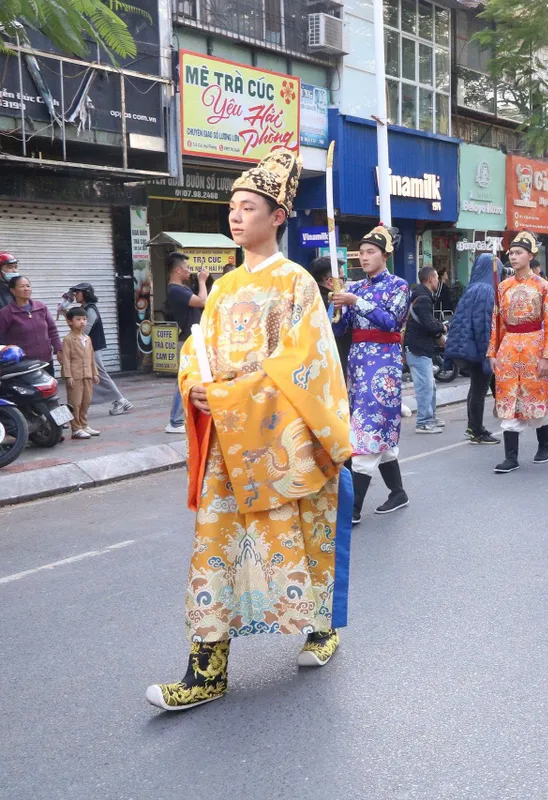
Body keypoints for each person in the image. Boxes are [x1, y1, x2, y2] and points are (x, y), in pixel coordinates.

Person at [147, 148, 352, 712]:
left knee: (298, 534)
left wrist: (233, 395)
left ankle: (320, 627)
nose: (236, 217)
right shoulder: (223, 289)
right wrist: (192, 382)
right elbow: (198, 348)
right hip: (224, 441)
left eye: (249, 207)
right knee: (213, 547)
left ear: (277, 216)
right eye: (233, 208)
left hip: (274, 440)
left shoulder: (297, 285)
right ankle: (206, 667)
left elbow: (305, 365)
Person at [331, 225, 413, 521]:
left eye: (370, 252)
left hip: (384, 367)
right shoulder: (353, 287)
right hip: (357, 364)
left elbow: (391, 322)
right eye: (361, 253)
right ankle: (398, 492)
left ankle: (352, 509)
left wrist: (357, 302)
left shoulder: (399, 286)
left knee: (367, 433)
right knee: (378, 433)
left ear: (385, 255)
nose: (364, 258)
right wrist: (337, 306)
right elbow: (340, 329)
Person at [488, 231, 548, 473]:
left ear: (530, 255)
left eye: (519, 252)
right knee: (508, 399)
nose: (513, 256)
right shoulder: (503, 286)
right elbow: (496, 322)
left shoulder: (543, 286)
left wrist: (546, 355)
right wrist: (493, 351)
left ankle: (544, 445)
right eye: (511, 252)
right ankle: (511, 457)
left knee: (536, 399)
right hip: (509, 347)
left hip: (534, 346)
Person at [444, 252, 498, 445]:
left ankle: (472, 427)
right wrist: (488, 353)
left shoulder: (472, 288)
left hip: (465, 346)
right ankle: (476, 430)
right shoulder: (486, 290)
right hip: (477, 348)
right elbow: (483, 324)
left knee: (475, 388)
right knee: (479, 390)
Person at [69, 282, 134, 416]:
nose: (76, 295)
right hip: (87, 347)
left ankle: (120, 399)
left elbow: (84, 330)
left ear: (85, 293)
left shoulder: (90, 309)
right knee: (94, 375)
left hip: (92, 347)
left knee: (99, 373)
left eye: (78, 292)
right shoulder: (84, 308)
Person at [164, 252, 208, 434]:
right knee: (184, 381)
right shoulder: (175, 290)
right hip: (189, 340)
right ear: (177, 269)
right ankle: (175, 421)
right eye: (187, 268)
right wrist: (203, 281)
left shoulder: (181, 288)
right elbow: (203, 301)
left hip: (193, 337)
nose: (189, 271)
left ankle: (181, 419)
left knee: (189, 379)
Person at [406, 265, 448, 434]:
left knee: (430, 386)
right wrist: (442, 328)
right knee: (425, 386)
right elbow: (428, 324)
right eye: (437, 277)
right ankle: (423, 422)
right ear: (430, 279)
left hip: (421, 347)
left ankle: (431, 417)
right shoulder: (423, 298)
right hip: (418, 348)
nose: (439, 281)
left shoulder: (421, 295)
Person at [0, 275, 61, 372]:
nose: (26, 289)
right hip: (23, 365)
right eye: (22, 286)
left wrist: (59, 349)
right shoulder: (6, 313)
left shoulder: (41, 307)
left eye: (28, 286)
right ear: (13, 291)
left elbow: (52, 329)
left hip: (46, 361)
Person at [306, 256, 352, 376]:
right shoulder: (334, 303)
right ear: (331, 281)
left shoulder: (306, 299)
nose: (343, 282)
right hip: (333, 363)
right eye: (343, 278)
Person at [60, 306, 99, 439]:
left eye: (84, 319)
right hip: (75, 376)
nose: (82, 322)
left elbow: (91, 357)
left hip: (87, 374)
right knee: (75, 403)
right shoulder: (68, 339)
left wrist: (95, 373)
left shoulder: (87, 338)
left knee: (86, 401)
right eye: (78, 319)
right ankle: (76, 428)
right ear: (70, 321)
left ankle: (84, 424)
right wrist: (68, 375)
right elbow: (65, 359)